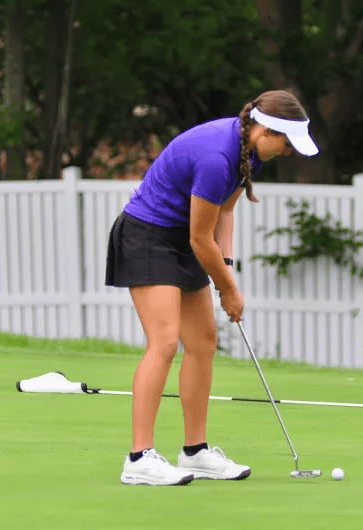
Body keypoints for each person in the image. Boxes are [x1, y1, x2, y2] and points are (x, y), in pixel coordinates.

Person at [104, 90, 319, 485]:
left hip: (184, 236)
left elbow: (225, 211)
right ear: (265, 130)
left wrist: (228, 270)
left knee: (202, 342)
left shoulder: (251, 152)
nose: (289, 151)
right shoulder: (218, 158)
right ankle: (138, 458)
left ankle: (195, 452)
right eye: (287, 143)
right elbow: (201, 240)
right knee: (165, 340)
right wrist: (228, 289)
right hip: (148, 236)